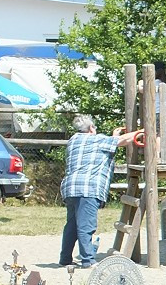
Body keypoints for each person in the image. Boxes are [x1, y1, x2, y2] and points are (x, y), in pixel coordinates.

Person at [59, 114, 140, 268]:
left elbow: (102, 146)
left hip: (71, 187)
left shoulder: (74, 140)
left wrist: (113, 136)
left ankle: (65, 258)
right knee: (86, 225)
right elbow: (123, 141)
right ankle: (88, 260)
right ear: (91, 128)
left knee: (72, 225)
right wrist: (141, 132)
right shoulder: (97, 139)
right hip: (88, 188)